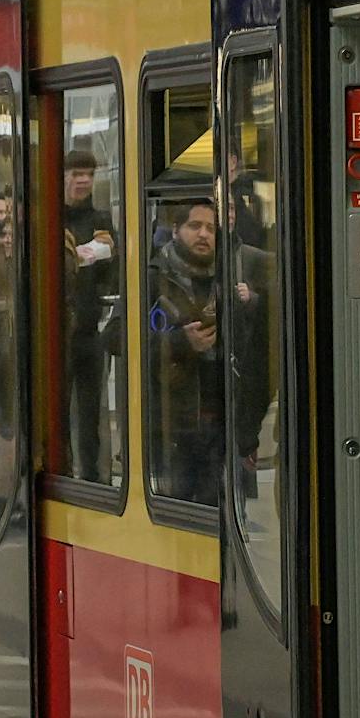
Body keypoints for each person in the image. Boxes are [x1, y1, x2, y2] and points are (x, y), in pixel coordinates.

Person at [148, 199, 224, 510]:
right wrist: (180, 343)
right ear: (176, 230)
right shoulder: (152, 277)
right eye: (195, 226)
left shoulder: (229, 278)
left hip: (220, 423)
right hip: (172, 425)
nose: (204, 234)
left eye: (210, 228)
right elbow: (115, 339)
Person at [60, 141, 115, 482]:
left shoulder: (100, 217)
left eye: (89, 174)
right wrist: (90, 252)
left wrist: (86, 255)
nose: (83, 181)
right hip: (59, 333)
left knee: (91, 413)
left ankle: (93, 477)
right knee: (59, 410)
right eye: (76, 173)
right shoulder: (51, 217)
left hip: (90, 330)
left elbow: (112, 254)